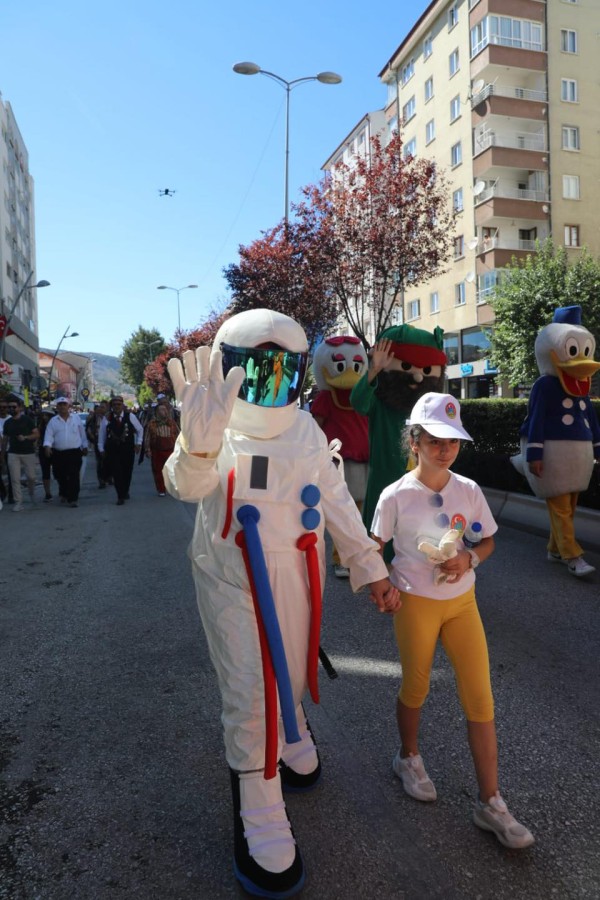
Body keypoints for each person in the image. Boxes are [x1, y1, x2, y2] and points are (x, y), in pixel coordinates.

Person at [163, 308, 401, 898]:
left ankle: (291, 728)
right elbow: (186, 486)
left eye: (281, 374)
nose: (269, 388)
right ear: (227, 371)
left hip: (298, 571)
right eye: (255, 374)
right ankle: (260, 806)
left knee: (290, 669)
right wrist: (196, 448)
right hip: (231, 574)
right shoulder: (214, 426)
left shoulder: (306, 431)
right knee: (250, 689)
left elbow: (337, 500)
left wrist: (370, 565)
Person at [371, 392, 534, 850]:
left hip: (462, 603)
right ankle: (408, 756)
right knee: (416, 686)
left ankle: (490, 802)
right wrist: (381, 583)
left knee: (480, 698)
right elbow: (372, 547)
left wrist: (469, 559)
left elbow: (487, 542)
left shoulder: (469, 490)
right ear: (415, 442)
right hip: (415, 603)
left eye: (452, 441)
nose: (445, 450)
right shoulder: (395, 495)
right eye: (434, 440)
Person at [511, 305, 600, 577]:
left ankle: (555, 549)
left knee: (568, 507)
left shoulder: (580, 385)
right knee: (561, 508)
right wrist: (534, 455)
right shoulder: (545, 385)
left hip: (577, 459)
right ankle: (573, 556)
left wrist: (597, 447)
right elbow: (536, 419)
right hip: (553, 457)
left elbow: (590, 419)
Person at [350, 324, 447, 562]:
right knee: (381, 549)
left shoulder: (431, 409)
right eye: (406, 366)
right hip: (386, 486)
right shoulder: (380, 405)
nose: (417, 376)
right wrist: (374, 369)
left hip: (425, 485)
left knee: (421, 546)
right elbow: (358, 402)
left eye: (426, 370)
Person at [311, 335, 370, 577]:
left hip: (365, 460)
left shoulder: (364, 396)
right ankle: (340, 558)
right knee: (342, 512)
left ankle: (360, 556)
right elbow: (315, 426)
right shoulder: (326, 398)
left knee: (361, 511)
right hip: (338, 461)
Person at [43, 398, 88, 507]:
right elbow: (49, 435)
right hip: (59, 453)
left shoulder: (76, 419)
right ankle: (64, 492)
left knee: (74, 475)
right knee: (60, 475)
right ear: (57, 407)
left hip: (74, 452)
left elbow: (82, 434)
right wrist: (47, 446)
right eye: (60, 404)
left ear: (69, 406)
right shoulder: (53, 421)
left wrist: (85, 446)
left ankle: (73, 499)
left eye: (64, 404)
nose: (62, 406)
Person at [98, 396, 143, 505]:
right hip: (113, 451)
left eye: (119, 404)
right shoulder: (107, 418)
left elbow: (140, 429)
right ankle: (120, 495)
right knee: (116, 473)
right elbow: (102, 434)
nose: (117, 407)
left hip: (127, 450)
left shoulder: (130, 416)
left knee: (127, 472)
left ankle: (125, 490)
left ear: (122, 405)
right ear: (111, 406)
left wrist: (139, 443)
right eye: (114, 405)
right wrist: (101, 448)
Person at [2, 398, 39, 512]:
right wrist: (2, 455)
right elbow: (5, 439)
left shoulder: (27, 420)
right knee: (14, 479)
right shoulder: (8, 422)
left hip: (28, 452)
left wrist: (26, 437)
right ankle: (18, 502)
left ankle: (31, 492)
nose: (11, 409)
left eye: (14, 407)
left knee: (31, 477)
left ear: (20, 408)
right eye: (9, 407)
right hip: (13, 453)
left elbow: (36, 434)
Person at [143, 402, 179, 495]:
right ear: (157, 412)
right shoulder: (152, 424)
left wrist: (179, 448)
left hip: (171, 450)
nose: (164, 411)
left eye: (165, 409)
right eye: (161, 409)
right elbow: (147, 437)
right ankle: (161, 489)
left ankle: (171, 487)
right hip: (157, 451)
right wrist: (147, 449)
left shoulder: (172, 423)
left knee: (171, 470)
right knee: (158, 470)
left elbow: (178, 435)